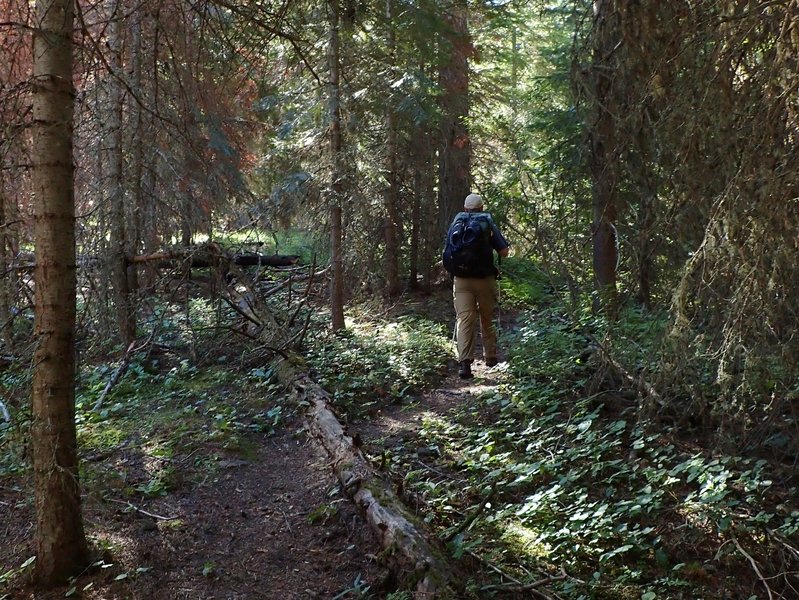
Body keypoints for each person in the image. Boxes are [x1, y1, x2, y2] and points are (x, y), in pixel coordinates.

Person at [449, 193, 509, 379]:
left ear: (465, 208)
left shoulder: (456, 224)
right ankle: (490, 356)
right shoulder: (487, 223)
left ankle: (464, 364)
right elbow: (504, 252)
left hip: (461, 279)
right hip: (484, 278)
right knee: (486, 316)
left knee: (465, 319)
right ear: (482, 208)